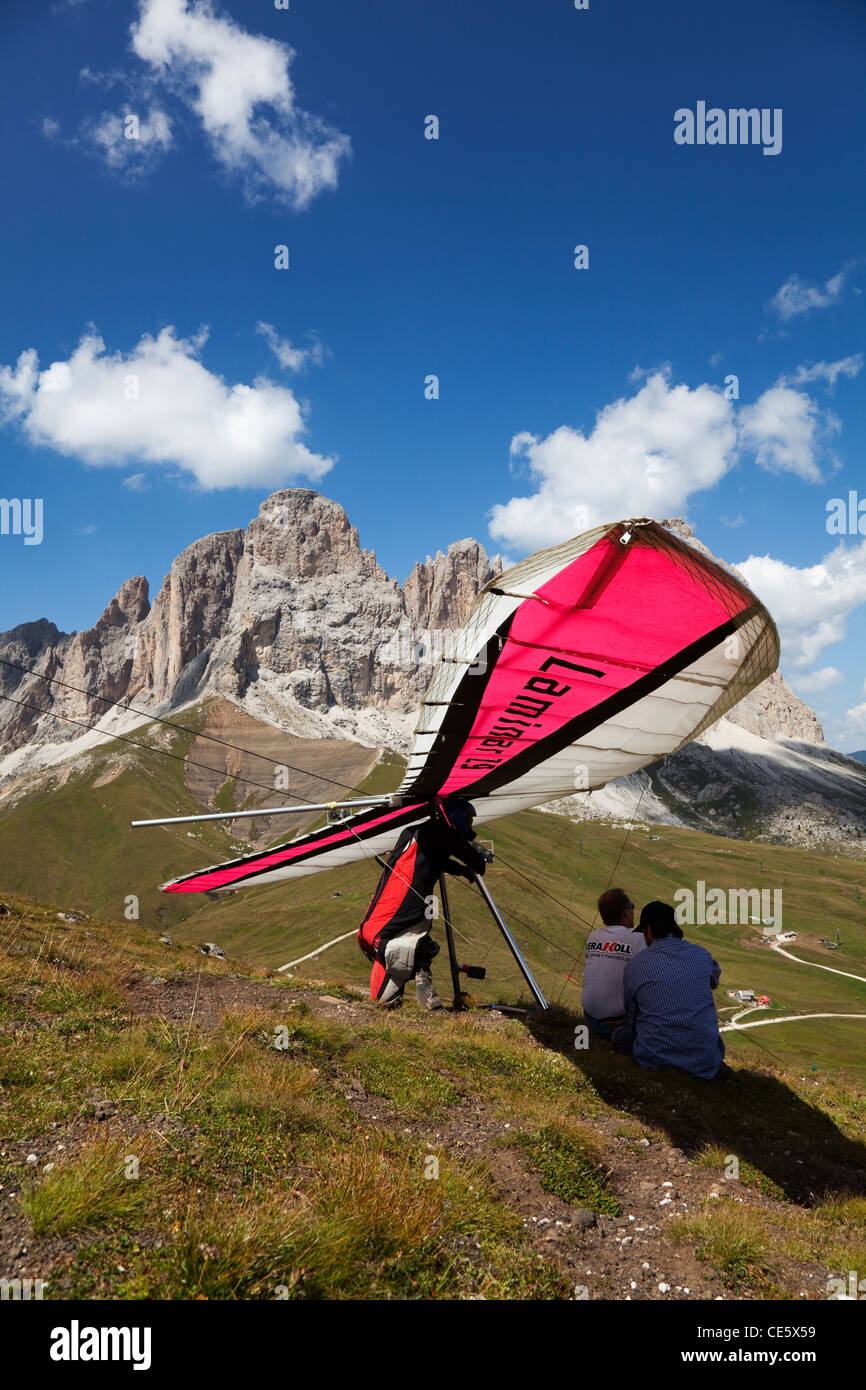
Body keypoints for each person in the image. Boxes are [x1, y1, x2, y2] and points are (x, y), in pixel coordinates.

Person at [357, 798, 488, 1010]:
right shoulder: (439, 832)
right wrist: (471, 866)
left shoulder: (421, 833)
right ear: (455, 819)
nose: (470, 825)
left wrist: (460, 871)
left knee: (420, 948)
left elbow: (435, 859)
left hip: (383, 916)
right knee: (411, 949)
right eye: (468, 820)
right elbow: (477, 862)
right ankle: (416, 1005)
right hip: (393, 916)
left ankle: (428, 1003)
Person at [615, 901, 731, 1081]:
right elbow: (714, 980)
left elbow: (631, 1015)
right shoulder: (700, 954)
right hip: (706, 1063)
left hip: (654, 1061)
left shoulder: (635, 965)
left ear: (650, 931)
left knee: (620, 1036)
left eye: (644, 932)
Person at [581, 888, 646, 1039]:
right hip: (617, 1023)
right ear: (626, 912)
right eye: (632, 907)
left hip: (589, 1017)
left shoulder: (593, 936)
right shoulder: (638, 938)